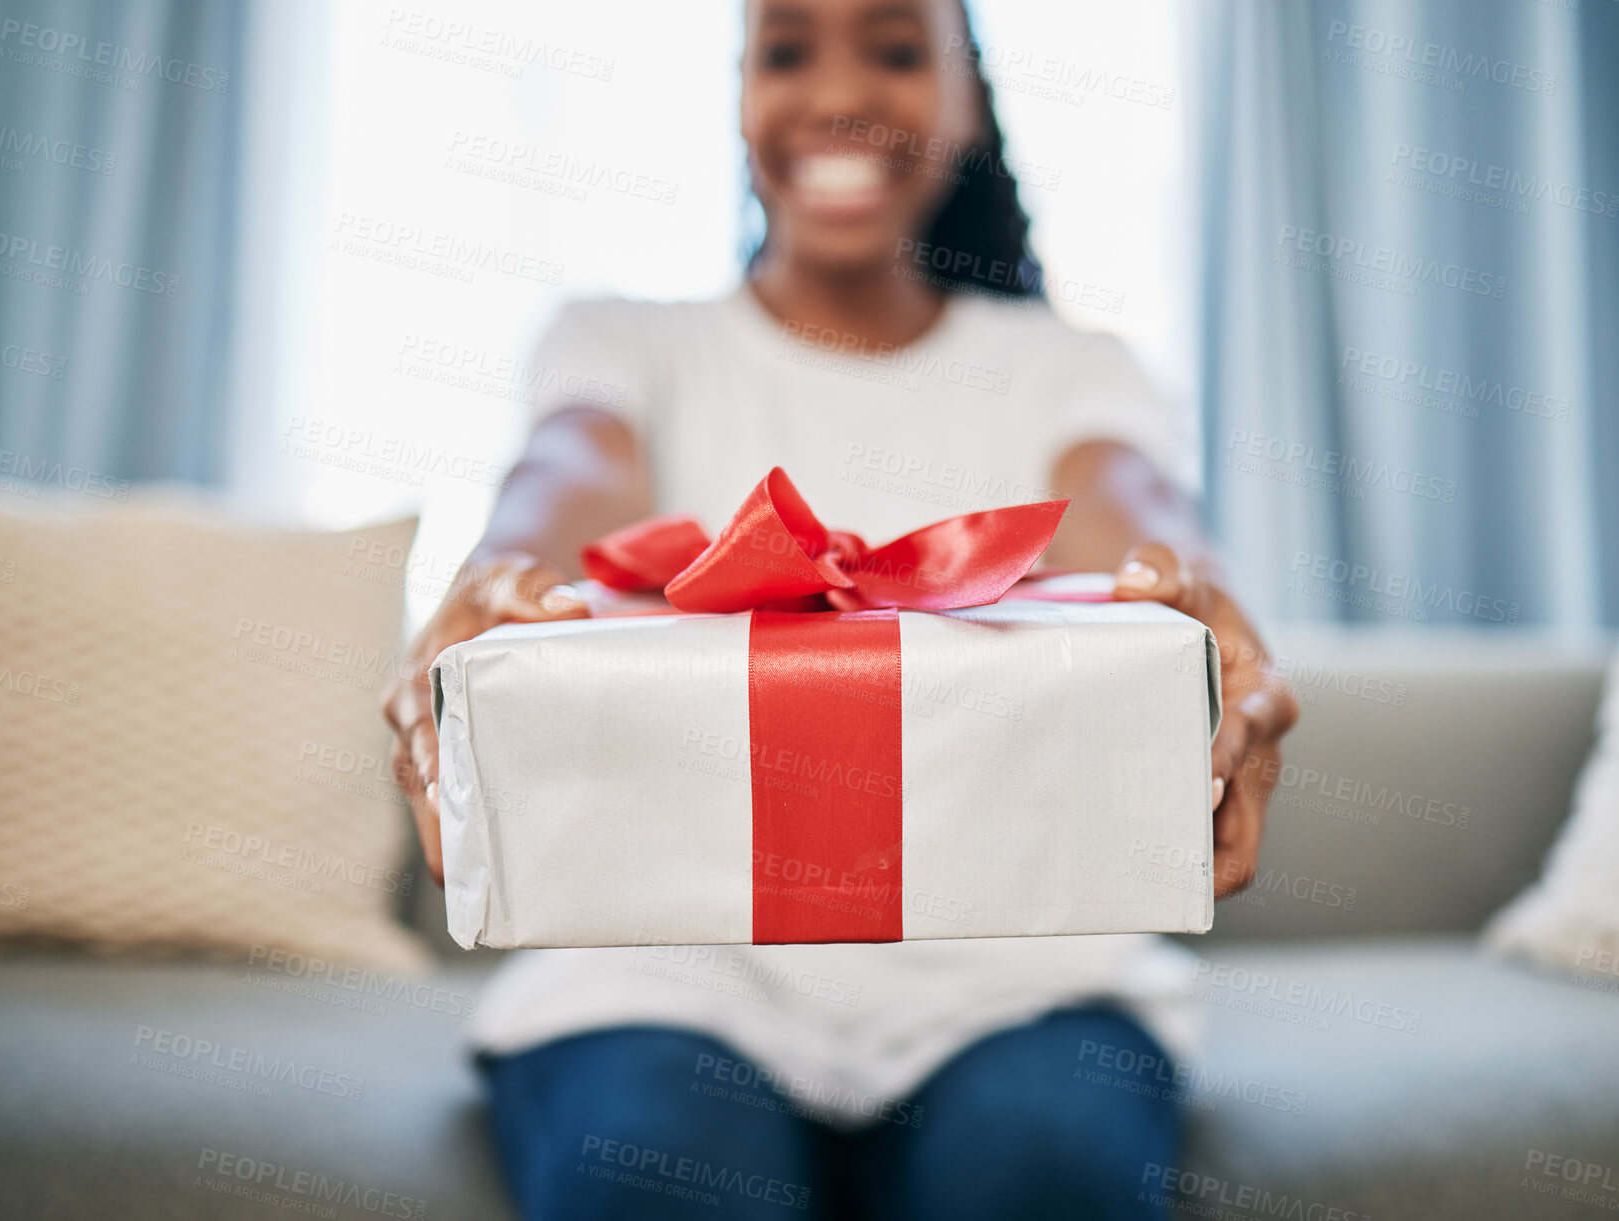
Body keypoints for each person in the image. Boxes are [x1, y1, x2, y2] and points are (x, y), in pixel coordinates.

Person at [382, 0, 1299, 1216]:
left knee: (1043, 1168)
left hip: (1015, 978)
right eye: (784, 50)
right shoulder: (624, 344)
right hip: (660, 975)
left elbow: (1128, 504)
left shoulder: (1066, 367)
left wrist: (1210, 610)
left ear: (969, 104)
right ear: (738, 93)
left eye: (895, 49)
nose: (835, 94)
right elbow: (564, 482)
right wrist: (489, 581)